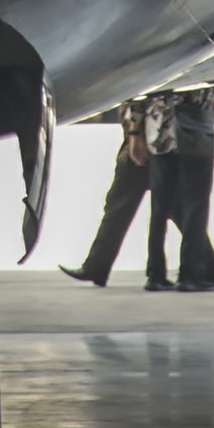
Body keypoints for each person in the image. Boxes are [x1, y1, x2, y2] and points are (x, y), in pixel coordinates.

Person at [67, 95, 159, 287]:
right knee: (178, 210)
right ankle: (205, 266)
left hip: (141, 146)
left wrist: (134, 136)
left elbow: (138, 98)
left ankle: (96, 267)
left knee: (117, 209)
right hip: (152, 142)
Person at [155, 85, 214, 291]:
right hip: (195, 131)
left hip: (162, 135)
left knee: (161, 208)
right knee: (196, 204)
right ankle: (191, 274)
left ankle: (156, 273)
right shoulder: (199, 57)